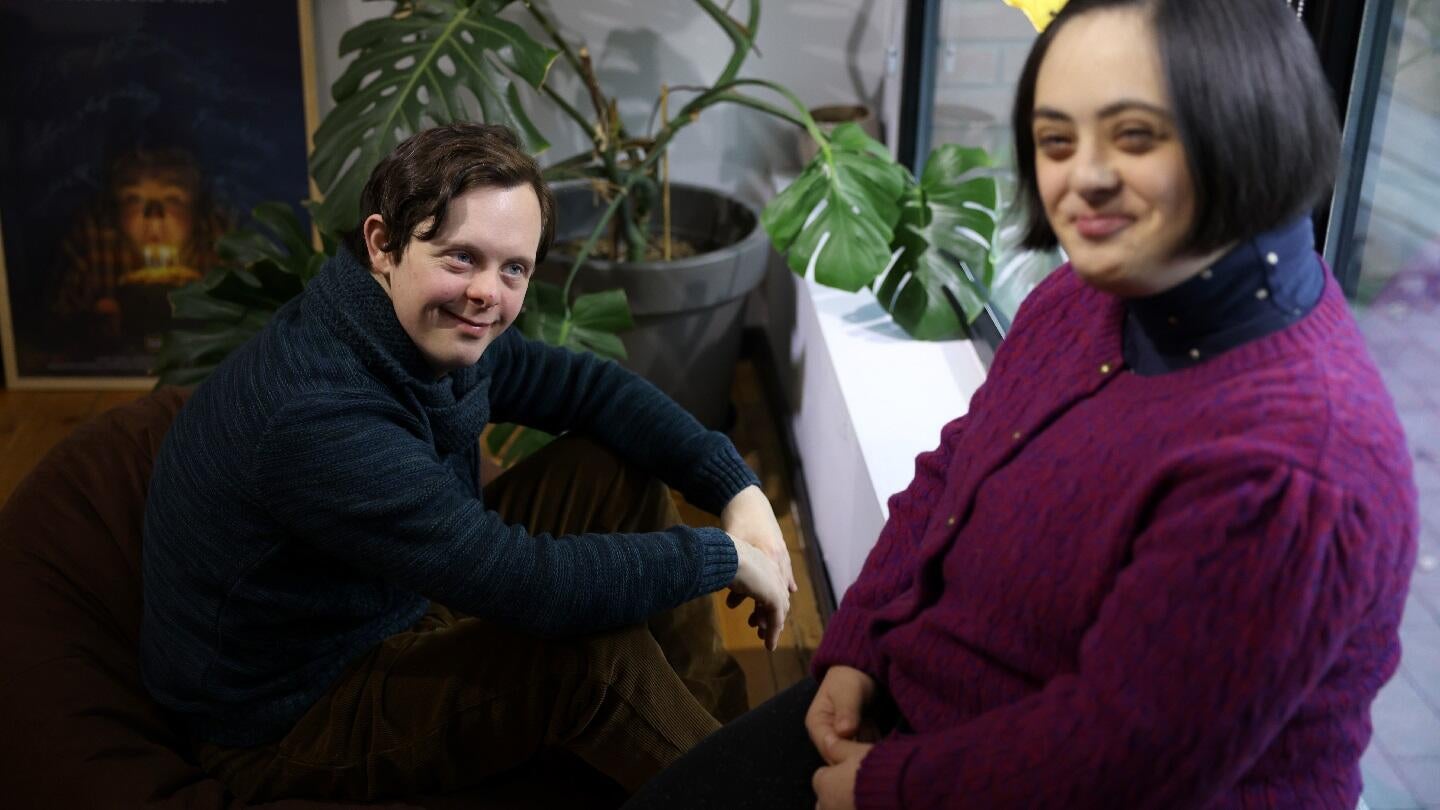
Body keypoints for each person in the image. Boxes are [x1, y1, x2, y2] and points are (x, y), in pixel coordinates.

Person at [624, 1, 1420, 807]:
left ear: (1252, 125)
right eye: (1056, 140)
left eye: (1135, 135)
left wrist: (890, 788)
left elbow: (1120, 760)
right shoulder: (1091, 293)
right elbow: (954, 466)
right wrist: (858, 642)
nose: (1083, 178)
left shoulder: (1295, 466)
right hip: (908, 706)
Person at [139, 122, 794, 803]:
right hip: (290, 715)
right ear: (382, 245)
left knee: (611, 469)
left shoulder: (415, 326)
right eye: (460, 258)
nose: (488, 292)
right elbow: (527, 585)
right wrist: (721, 555)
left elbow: (587, 388)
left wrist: (736, 488)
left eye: (514, 268)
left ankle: (721, 735)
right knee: (591, 660)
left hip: (391, 597)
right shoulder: (319, 417)